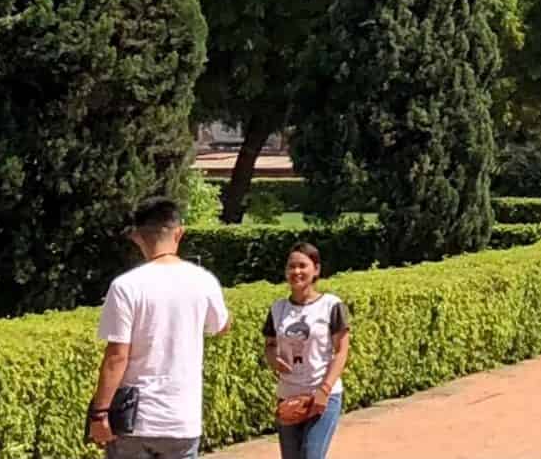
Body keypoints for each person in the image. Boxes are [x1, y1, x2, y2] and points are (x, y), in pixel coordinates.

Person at [89, 196, 230, 459]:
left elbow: (117, 356)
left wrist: (99, 412)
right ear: (179, 233)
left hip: (135, 421)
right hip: (182, 419)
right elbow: (221, 326)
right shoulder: (204, 281)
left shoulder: (125, 286)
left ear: (137, 237)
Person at [264, 243, 351, 459]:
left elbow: (341, 351)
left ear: (316, 270)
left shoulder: (331, 306)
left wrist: (325, 389)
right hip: (288, 395)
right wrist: (273, 359)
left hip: (322, 395)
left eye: (303, 266)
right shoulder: (277, 309)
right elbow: (270, 345)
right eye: (291, 267)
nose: (296, 272)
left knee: (311, 455)